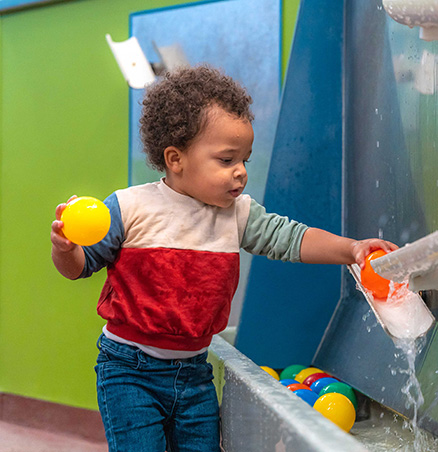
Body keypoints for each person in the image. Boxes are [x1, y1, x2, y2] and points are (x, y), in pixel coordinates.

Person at [50, 65, 396, 452]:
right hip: (130, 370)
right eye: (227, 160)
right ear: (175, 158)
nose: (241, 173)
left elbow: (292, 238)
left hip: (195, 371)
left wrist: (351, 250)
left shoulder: (239, 215)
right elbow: (80, 267)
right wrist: (65, 250)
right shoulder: (129, 207)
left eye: (244, 160)